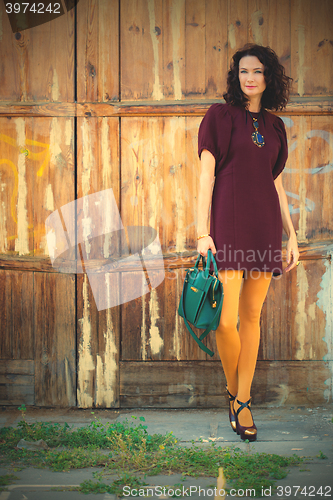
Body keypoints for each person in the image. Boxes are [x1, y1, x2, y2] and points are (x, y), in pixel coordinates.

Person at [196, 44, 299, 442]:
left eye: (257, 71)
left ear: (268, 78)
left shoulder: (275, 126)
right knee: (225, 321)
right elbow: (206, 178)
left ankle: (243, 400)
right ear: (236, 76)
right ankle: (235, 395)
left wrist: (291, 235)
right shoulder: (219, 117)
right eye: (243, 71)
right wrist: (203, 231)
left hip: (264, 227)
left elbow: (276, 183)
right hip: (228, 226)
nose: (249, 78)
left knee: (252, 317)